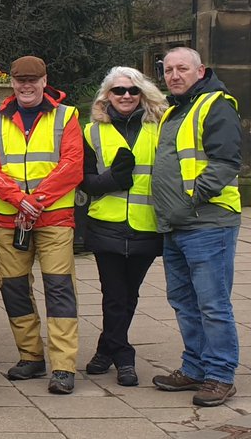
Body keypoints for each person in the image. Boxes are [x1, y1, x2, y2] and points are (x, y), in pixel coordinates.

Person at [0, 55, 83, 394]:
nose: (26, 85)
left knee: (59, 289)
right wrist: (17, 199)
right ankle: (31, 357)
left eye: (32, 79)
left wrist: (34, 201)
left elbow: (72, 165)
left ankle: (63, 366)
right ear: (12, 81)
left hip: (53, 217)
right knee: (12, 288)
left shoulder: (67, 116)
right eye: (20, 79)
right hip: (10, 219)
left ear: (44, 80)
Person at [150, 47, 242, 407]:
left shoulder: (215, 104)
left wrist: (191, 199)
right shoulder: (174, 109)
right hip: (177, 225)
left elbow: (225, 162)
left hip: (208, 223)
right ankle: (194, 368)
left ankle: (220, 375)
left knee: (213, 304)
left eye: (182, 68)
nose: (174, 75)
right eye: (169, 69)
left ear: (200, 70)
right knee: (184, 302)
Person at [79, 66, 166, 388]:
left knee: (129, 295)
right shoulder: (91, 132)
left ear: (142, 94)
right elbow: (85, 182)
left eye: (132, 90)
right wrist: (111, 180)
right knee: (114, 295)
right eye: (119, 91)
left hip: (147, 223)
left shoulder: (160, 127)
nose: (126, 96)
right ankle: (124, 357)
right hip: (107, 224)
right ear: (107, 96)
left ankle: (105, 350)